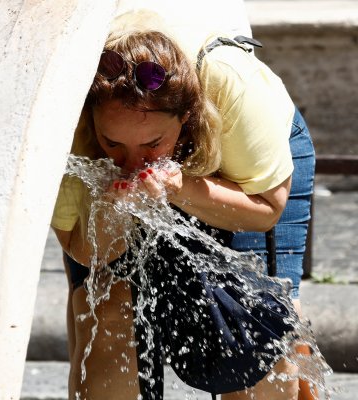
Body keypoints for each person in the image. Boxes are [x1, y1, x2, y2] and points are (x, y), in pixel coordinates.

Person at [51, 8, 316, 400]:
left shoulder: (229, 82)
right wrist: (114, 212)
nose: (133, 163)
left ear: (187, 120)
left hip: (245, 172)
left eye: (152, 144)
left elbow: (266, 209)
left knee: (256, 330)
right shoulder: (66, 110)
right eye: (114, 144)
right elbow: (81, 248)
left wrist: (181, 188)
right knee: (104, 312)